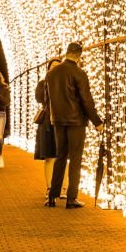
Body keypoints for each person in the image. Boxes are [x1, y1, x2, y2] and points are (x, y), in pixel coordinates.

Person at [44, 43, 103, 208]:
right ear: (79, 55)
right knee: (75, 159)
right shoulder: (79, 73)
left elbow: (47, 98)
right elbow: (86, 100)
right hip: (76, 121)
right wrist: (97, 122)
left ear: (66, 53)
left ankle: (52, 196)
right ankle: (71, 198)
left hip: (58, 120)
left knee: (60, 157)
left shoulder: (51, 74)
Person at [33, 58, 61, 195]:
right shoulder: (43, 84)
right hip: (47, 123)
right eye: (53, 66)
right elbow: (39, 98)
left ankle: (63, 188)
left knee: (62, 156)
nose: (55, 69)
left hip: (62, 121)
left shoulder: (65, 83)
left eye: (58, 66)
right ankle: (50, 188)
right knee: (49, 156)